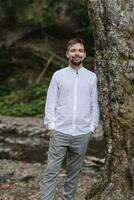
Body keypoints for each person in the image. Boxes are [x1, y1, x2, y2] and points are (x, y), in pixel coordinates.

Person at [40, 38, 99, 200]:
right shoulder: (58, 76)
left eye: (80, 50)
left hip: (82, 134)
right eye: (73, 50)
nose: (77, 53)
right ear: (67, 54)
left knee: (73, 174)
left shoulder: (92, 77)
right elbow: (50, 101)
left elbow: (94, 103)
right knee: (52, 171)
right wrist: (51, 125)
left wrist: (92, 127)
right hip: (60, 131)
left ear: (84, 54)